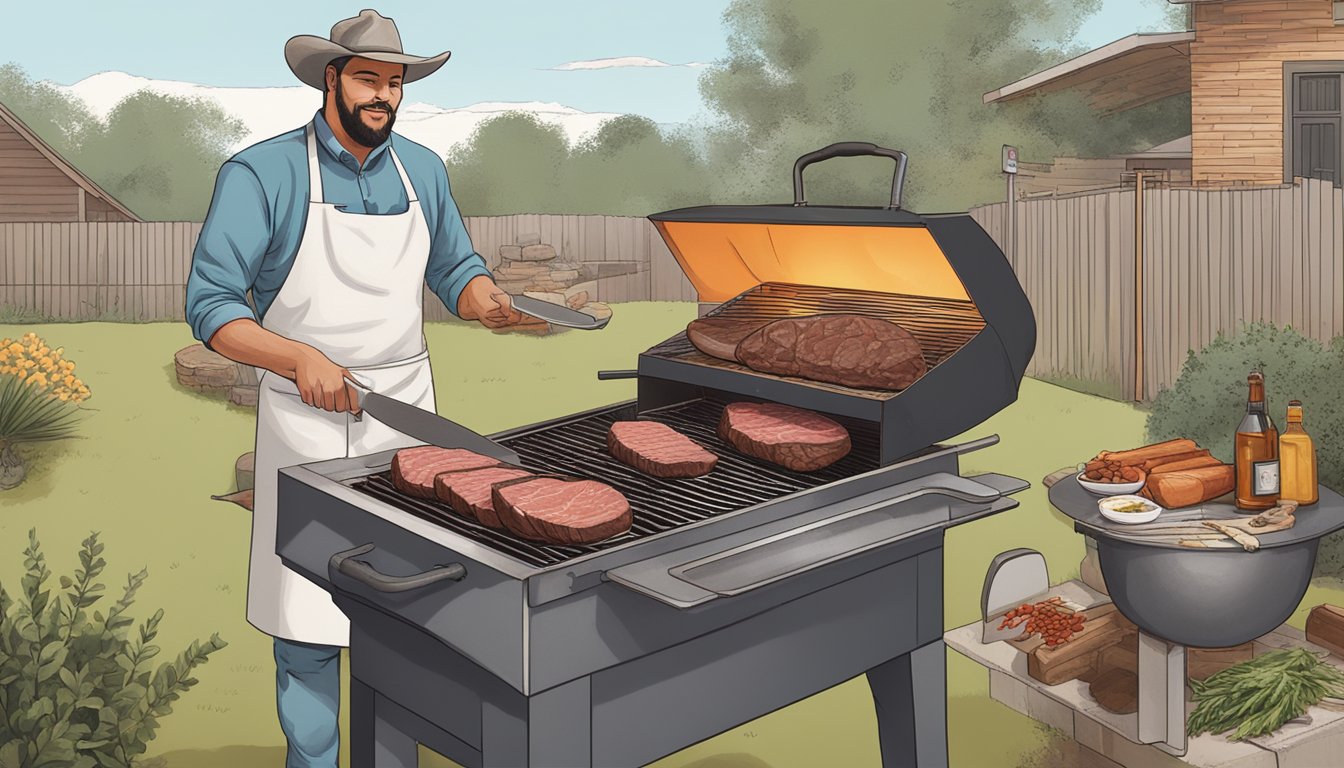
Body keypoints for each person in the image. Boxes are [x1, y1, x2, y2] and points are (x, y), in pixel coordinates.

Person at [184, 10, 520, 767]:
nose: (384, 97)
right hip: (304, 424)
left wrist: (486, 301)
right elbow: (212, 307)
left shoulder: (424, 170)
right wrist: (296, 357)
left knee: (414, 612)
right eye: (369, 79)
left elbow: (454, 270)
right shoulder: (260, 173)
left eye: (395, 83)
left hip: (405, 419)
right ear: (330, 77)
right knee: (306, 626)